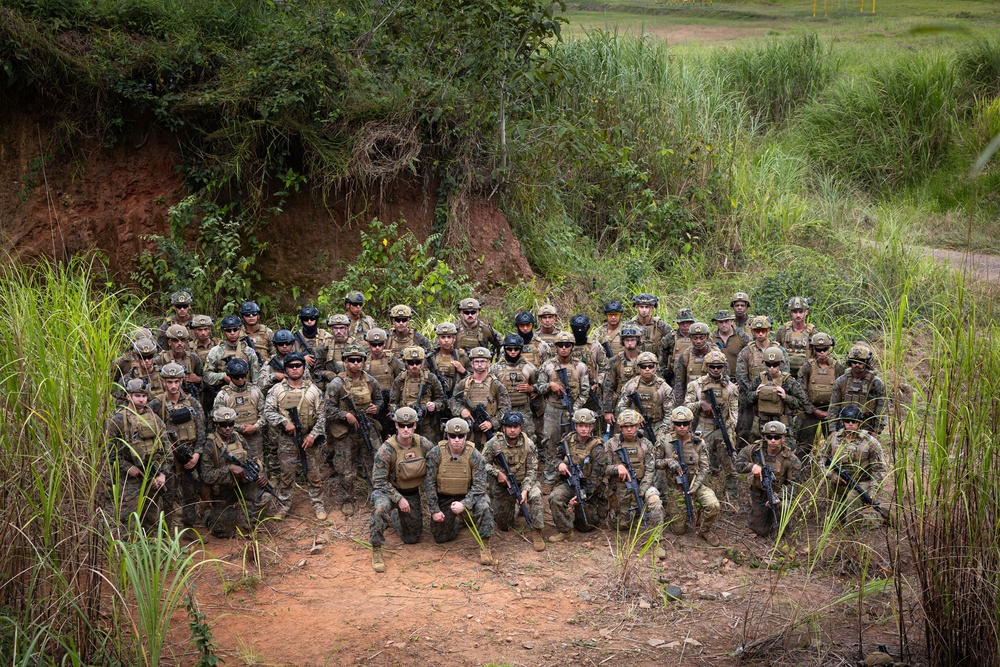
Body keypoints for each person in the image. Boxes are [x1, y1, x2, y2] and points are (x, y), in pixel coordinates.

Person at [369, 407, 436, 572]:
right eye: (402, 425)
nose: (406, 429)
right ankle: (377, 549)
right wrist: (398, 499)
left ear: (415, 426)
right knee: (379, 509)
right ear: (396, 425)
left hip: (411, 493)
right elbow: (378, 480)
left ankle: (396, 516)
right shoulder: (386, 450)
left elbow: (437, 462)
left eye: (409, 425)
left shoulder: (423, 444)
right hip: (387, 491)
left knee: (411, 538)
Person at [262, 352, 327, 520]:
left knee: (313, 474)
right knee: (287, 474)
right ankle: (284, 507)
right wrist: (284, 422)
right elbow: (268, 411)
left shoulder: (313, 390)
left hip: (308, 439)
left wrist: (312, 435)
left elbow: (322, 416)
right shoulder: (277, 390)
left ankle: (318, 505)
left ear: (304, 368)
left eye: (298, 365)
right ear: (286, 369)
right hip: (287, 439)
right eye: (291, 366)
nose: (295, 369)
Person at [425, 418, 496, 565]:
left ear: (466, 436)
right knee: (440, 538)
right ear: (447, 436)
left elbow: (479, 486)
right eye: (452, 436)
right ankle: (458, 520)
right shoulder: (435, 453)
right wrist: (434, 510)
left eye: (461, 436)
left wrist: (464, 504)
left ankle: (485, 545)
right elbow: (429, 484)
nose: (456, 440)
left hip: (467, 495)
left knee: (484, 506)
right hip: (445, 497)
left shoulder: (475, 455)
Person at [324, 343, 383, 517]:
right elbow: (327, 409)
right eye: (352, 360)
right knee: (345, 470)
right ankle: (346, 500)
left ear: (364, 362)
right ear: (345, 362)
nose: (356, 363)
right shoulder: (337, 383)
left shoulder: (371, 381)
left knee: (373, 464)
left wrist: (376, 408)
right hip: (345, 432)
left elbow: (379, 400)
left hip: (366, 428)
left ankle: (377, 497)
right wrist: (345, 415)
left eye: (359, 360)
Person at [199, 406, 274, 538]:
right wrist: (229, 470)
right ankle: (206, 512)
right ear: (216, 425)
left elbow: (252, 459)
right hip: (223, 490)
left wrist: (260, 472)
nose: (228, 428)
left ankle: (245, 527)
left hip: (243, 483)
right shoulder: (210, 445)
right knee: (222, 532)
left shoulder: (238, 438)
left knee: (266, 496)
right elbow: (206, 476)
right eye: (223, 424)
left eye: (231, 424)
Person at [106, 378, 170, 529]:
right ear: (128, 396)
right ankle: (129, 551)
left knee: (152, 518)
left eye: (143, 396)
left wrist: (162, 474)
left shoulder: (155, 419)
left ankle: (150, 549)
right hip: (130, 479)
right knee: (128, 520)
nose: (141, 400)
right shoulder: (119, 419)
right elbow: (109, 451)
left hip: (153, 475)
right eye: (137, 396)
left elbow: (167, 449)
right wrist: (127, 467)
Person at [655, 406, 721, 546]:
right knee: (678, 530)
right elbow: (654, 462)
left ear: (691, 423)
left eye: (685, 423)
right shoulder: (665, 441)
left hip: (694, 485)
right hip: (675, 487)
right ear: (673, 424)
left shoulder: (698, 442)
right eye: (678, 424)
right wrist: (668, 462)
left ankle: (705, 531)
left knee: (713, 504)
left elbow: (704, 467)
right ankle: (673, 509)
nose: (682, 427)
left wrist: (695, 486)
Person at [152, 362, 207, 528]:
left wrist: (196, 455)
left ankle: (188, 528)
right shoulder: (157, 404)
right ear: (163, 382)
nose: (173, 385)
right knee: (168, 495)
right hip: (168, 458)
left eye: (176, 381)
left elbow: (201, 430)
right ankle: (166, 533)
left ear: (182, 381)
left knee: (190, 493)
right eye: (169, 382)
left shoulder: (192, 403)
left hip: (189, 456)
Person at [604, 409, 666, 558]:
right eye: (625, 426)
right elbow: (603, 468)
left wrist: (642, 490)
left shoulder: (646, 444)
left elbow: (650, 470)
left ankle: (656, 540)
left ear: (638, 426)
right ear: (620, 427)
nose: (629, 429)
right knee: (622, 525)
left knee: (655, 501)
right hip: (620, 487)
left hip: (641, 484)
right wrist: (616, 468)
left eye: (632, 426)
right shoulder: (611, 444)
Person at [482, 411, 545, 551]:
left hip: (523, 482)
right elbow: (482, 464)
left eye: (515, 426)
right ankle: (514, 508)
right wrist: (497, 473)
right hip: (503, 486)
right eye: (509, 426)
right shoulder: (494, 443)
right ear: (503, 428)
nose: (512, 430)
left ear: (520, 427)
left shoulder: (528, 444)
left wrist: (524, 491)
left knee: (535, 495)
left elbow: (533, 470)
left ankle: (537, 531)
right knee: (505, 526)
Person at [536, 332, 590, 492]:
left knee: (574, 443)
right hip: (553, 410)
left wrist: (575, 408)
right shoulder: (548, 366)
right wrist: (550, 386)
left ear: (572, 347)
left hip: (573, 411)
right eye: (560, 345)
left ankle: (572, 477)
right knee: (550, 442)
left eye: (567, 345)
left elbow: (585, 391)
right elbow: (539, 388)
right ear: (556, 347)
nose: (564, 348)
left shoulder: (580, 366)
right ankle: (550, 477)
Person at [684, 349, 740, 502]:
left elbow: (734, 411)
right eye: (712, 366)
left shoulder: (731, 388)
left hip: (724, 429)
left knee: (730, 466)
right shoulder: (696, 385)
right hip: (704, 428)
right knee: (699, 466)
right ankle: (701, 496)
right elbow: (686, 406)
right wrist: (700, 404)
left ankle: (732, 498)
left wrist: (729, 428)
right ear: (706, 367)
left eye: (719, 367)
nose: (716, 370)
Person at [822, 405, 887, 527]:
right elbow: (821, 458)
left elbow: (879, 469)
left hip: (862, 482)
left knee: (852, 508)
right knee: (835, 522)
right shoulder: (834, 438)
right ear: (842, 422)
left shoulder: (870, 442)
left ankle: (878, 518)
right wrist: (831, 474)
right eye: (847, 421)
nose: (850, 424)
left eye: (854, 421)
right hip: (839, 483)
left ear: (860, 423)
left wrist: (872, 491)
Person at [548, 409, 608, 542]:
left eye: (586, 426)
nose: (583, 429)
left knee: (586, 526)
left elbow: (596, 478)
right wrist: (560, 464)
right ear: (575, 426)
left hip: (588, 488)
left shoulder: (597, 448)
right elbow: (554, 457)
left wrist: (581, 495)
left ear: (592, 426)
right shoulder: (567, 441)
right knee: (555, 497)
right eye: (580, 425)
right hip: (570, 482)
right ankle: (565, 530)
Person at [735, 421, 802, 538]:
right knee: (760, 530)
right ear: (765, 437)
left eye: (777, 437)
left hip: (779, 494)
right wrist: (752, 466)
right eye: (769, 437)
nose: (773, 440)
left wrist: (779, 497)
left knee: (782, 509)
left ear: (783, 438)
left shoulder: (791, 459)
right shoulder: (754, 450)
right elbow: (737, 464)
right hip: (759, 494)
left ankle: (783, 530)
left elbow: (794, 484)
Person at [735, 316, 788, 447]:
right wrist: (753, 392)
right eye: (757, 330)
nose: (760, 333)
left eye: (763, 330)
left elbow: (785, 374)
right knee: (745, 434)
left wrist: (771, 392)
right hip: (751, 400)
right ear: (752, 331)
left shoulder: (780, 351)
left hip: (775, 401)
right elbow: (741, 376)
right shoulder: (746, 352)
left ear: (769, 330)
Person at [747, 346, 816, 446]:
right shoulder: (759, 379)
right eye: (768, 364)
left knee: (786, 452)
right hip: (762, 423)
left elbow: (801, 402)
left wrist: (786, 397)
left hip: (783, 423)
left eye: (775, 364)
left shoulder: (789, 381)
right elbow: (748, 398)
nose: (771, 367)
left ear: (781, 363)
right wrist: (755, 394)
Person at [794, 332, 845, 458]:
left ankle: (832, 473)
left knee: (833, 446)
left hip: (831, 413)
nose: (822, 352)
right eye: (818, 349)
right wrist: (814, 410)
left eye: (825, 349)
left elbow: (842, 392)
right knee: (804, 446)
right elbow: (801, 392)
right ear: (814, 349)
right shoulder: (807, 367)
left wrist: (833, 412)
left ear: (829, 348)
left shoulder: (837, 367)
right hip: (810, 412)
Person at [450, 347, 511, 450]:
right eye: (476, 361)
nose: (479, 364)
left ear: (488, 363)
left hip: (487, 432)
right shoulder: (464, 383)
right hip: (468, 431)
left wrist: (492, 422)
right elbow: (452, 401)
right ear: (472, 364)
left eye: (483, 361)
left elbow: (506, 408)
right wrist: (462, 410)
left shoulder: (496, 385)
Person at [389, 346, 446, 443]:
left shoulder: (431, 378)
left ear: (423, 361)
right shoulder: (400, 379)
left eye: (418, 362)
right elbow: (393, 403)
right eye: (411, 363)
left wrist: (435, 405)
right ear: (405, 362)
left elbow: (442, 400)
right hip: (405, 425)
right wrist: (397, 413)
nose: (414, 366)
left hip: (426, 424)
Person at [213, 358, 265, 460]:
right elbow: (217, 420)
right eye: (236, 377)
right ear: (230, 376)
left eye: (243, 376)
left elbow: (265, 413)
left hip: (255, 437)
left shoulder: (255, 391)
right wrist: (239, 428)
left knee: (258, 467)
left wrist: (255, 426)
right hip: (232, 439)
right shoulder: (223, 395)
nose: (240, 379)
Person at [489, 334, 539, 441]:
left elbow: (539, 384)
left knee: (528, 438)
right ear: (505, 349)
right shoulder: (495, 368)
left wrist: (532, 389)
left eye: (516, 349)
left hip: (523, 409)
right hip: (501, 410)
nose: (513, 352)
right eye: (509, 349)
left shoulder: (529, 367)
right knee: (499, 439)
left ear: (521, 349)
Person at [829, 344, 887, 434]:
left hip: (867, 427)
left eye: (860, 362)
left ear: (866, 362)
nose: (857, 365)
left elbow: (881, 409)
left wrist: (876, 431)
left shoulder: (876, 383)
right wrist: (833, 430)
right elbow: (834, 406)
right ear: (849, 362)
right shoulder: (841, 381)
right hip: (844, 427)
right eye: (854, 362)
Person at [615, 352, 673, 439]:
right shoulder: (630, 386)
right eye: (643, 366)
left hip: (658, 426)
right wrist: (634, 418)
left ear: (656, 367)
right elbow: (621, 408)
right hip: (634, 426)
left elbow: (669, 414)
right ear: (638, 368)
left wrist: (662, 432)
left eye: (650, 366)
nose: (647, 369)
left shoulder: (664, 388)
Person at [363, 328, 406, 436]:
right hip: (371, 403)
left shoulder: (392, 360)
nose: (377, 347)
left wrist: (396, 405)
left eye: (380, 344)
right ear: (368, 344)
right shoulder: (363, 361)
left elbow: (402, 381)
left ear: (385, 343)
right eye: (374, 344)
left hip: (389, 402)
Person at [601, 326, 642, 427]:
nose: (629, 343)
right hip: (620, 404)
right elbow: (608, 387)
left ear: (637, 340)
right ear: (622, 341)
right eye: (627, 340)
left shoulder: (646, 359)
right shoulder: (615, 361)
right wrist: (608, 410)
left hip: (642, 402)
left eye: (632, 340)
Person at [205, 314, 261, 388]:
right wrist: (223, 376)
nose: (232, 333)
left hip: (246, 391)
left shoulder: (248, 351)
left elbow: (255, 377)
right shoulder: (216, 351)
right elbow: (206, 376)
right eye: (228, 330)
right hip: (224, 394)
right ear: (223, 331)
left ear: (240, 329)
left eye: (235, 329)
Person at [627, 293, 672, 371]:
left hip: (656, 367)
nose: (644, 310)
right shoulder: (629, 326)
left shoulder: (661, 326)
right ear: (636, 307)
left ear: (652, 308)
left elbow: (671, 346)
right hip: (635, 366)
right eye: (641, 307)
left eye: (647, 307)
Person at [775, 297, 817, 378]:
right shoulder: (782, 331)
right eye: (795, 312)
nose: (798, 315)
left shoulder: (813, 333)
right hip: (785, 375)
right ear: (791, 312)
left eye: (801, 312)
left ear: (806, 312)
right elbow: (774, 350)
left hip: (805, 375)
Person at [159, 324, 204, 400]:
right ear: (169, 342)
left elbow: (205, 377)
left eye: (182, 340)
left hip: (190, 399)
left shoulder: (193, 358)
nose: (179, 343)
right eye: (176, 340)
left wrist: (198, 379)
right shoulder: (161, 359)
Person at [672, 321, 712, 407]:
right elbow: (679, 384)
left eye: (701, 338)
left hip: (711, 399)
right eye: (695, 338)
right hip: (691, 400)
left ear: (707, 337)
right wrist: (680, 406)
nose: (698, 341)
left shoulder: (716, 356)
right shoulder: (685, 357)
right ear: (690, 338)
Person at [117, 338, 166, 403]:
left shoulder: (163, 374)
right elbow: (120, 401)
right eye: (142, 357)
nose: (146, 360)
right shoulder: (128, 378)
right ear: (136, 357)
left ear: (154, 356)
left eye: (149, 357)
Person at [710, 309, 749, 377]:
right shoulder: (711, 338)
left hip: (738, 378)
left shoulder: (742, 336)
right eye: (720, 322)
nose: (724, 325)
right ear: (716, 323)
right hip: (717, 378)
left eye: (726, 321)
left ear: (731, 321)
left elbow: (749, 357)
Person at [293, 306, 332, 374]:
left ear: (316, 319)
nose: (309, 321)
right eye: (306, 319)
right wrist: (302, 358)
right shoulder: (296, 337)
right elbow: (288, 356)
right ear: (302, 320)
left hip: (322, 371)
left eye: (312, 318)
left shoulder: (326, 336)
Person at [664, 308, 696, 386]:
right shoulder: (670, 338)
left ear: (692, 322)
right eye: (682, 323)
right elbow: (662, 360)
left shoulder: (699, 336)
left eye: (688, 322)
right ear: (678, 323)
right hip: (675, 379)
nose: (685, 325)